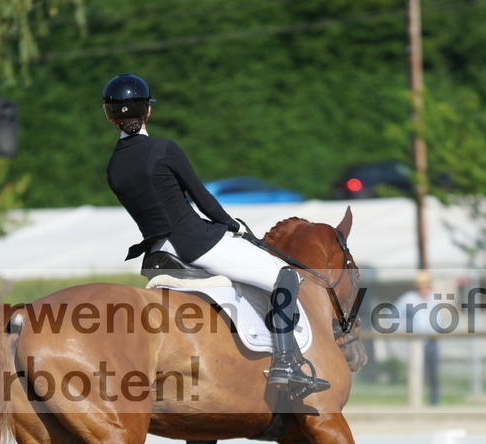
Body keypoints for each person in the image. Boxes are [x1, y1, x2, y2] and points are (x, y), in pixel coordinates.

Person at [102, 73, 328, 398]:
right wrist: (233, 225)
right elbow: (202, 198)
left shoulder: (113, 166)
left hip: (158, 254)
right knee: (285, 275)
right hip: (195, 243)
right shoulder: (164, 149)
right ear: (147, 111)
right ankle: (285, 364)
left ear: (110, 117)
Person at [394, 271, 440, 405]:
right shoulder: (409, 298)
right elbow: (394, 313)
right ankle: (415, 402)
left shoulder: (434, 298)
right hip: (416, 342)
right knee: (416, 372)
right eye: (421, 286)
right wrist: (399, 329)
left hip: (432, 340)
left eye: (426, 286)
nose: (424, 289)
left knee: (433, 374)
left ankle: (434, 402)